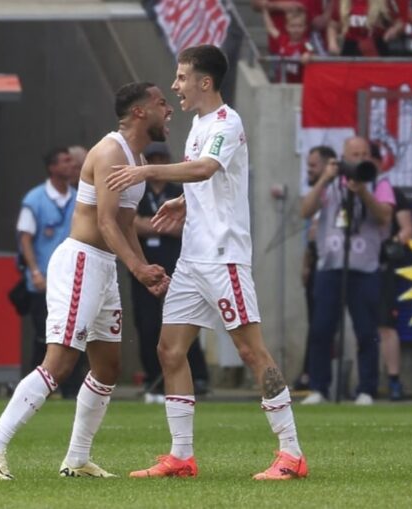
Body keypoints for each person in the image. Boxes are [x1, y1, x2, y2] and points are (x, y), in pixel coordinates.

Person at [107, 45, 307, 481]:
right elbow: (208, 177)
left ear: (204, 81)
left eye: (181, 78)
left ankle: (291, 453)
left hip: (223, 257)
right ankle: (181, 456)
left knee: (251, 350)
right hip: (193, 259)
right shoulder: (199, 124)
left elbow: (206, 168)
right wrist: (184, 200)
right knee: (169, 350)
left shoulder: (226, 122)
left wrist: (148, 172)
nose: (175, 86)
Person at [0, 81, 172, 481]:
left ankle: (77, 459)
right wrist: (137, 268)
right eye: (161, 103)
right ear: (139, 111)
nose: (169, 110)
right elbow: (104, 222)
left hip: (104, 267)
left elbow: (125, 224)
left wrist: (143, 266)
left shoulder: (135, 159)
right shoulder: (110, 151)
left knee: (108, 367)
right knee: (60, 362)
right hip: (82, 262)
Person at [300, 136, 395, 406]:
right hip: (330, 266)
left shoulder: (379, 183)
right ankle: (319, 387)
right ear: (343, 157)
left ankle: (366, 389)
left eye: (365, 154)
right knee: (321, 329)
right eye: (355, 154)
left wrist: (362, 191)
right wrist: (324, 179)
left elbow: (384, 216)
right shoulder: (331, 183)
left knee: (366, 331)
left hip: (364, 268)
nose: (360, 159)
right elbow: (305, 211)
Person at [132, 142, 210, 402]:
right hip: (145, 263)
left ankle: (198, 376)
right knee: (147, 324)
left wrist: (150, 224)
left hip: (177, 263)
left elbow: (184, 224)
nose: (157, 163)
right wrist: (161, 224)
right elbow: (131, 223)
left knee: (183, 321)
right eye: (152, 158)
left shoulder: (178, 190)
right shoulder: (139, 191)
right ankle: (153, 378)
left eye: (161, 158)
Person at [16, 147, 84, 398]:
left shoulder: (78, 197)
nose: (71, 165)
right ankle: (38, 386)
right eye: (65, 161)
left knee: (75, 334)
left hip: (73, 278)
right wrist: (35, 272)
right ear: (52, 168)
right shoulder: (34, 199)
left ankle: (71, 388)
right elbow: (25, 238)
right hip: (44, 279)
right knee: (44, 335)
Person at [372, 143, 412, 401]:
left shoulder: (391, 193)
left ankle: (394, 380)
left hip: (381, 268)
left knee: (386, 325)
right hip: (354, 266)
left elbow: (407, 230)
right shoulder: (345, 192)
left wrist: (389, 245)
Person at [294, 145, 338, 391]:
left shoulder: (336, 191)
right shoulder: (316, 191)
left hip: (336, 263)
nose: (309, 170)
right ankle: (311, 374)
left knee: (325, 326)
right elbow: (307, 221)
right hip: (316, 263)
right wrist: (305, 263)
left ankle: (314, 374)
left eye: (313, 165)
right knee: (317, 324)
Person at [327, 0, 404, 56]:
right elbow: (333, 25)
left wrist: (392, 31)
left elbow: (399, 23)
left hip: (376, 48)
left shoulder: (384, 2)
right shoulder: (342, 2)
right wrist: (332, 43)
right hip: (350, 48)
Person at [262, 8, 315, 83]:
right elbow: (270, 28)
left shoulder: (306, 42)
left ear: (305, 28)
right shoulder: (283, 39)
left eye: (300, 26)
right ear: (287, 27)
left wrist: (308, 54)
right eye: (293, 26)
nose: (296, 30)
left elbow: (312, 49)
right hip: (282, 82)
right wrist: (265, 10)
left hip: (298, 84)